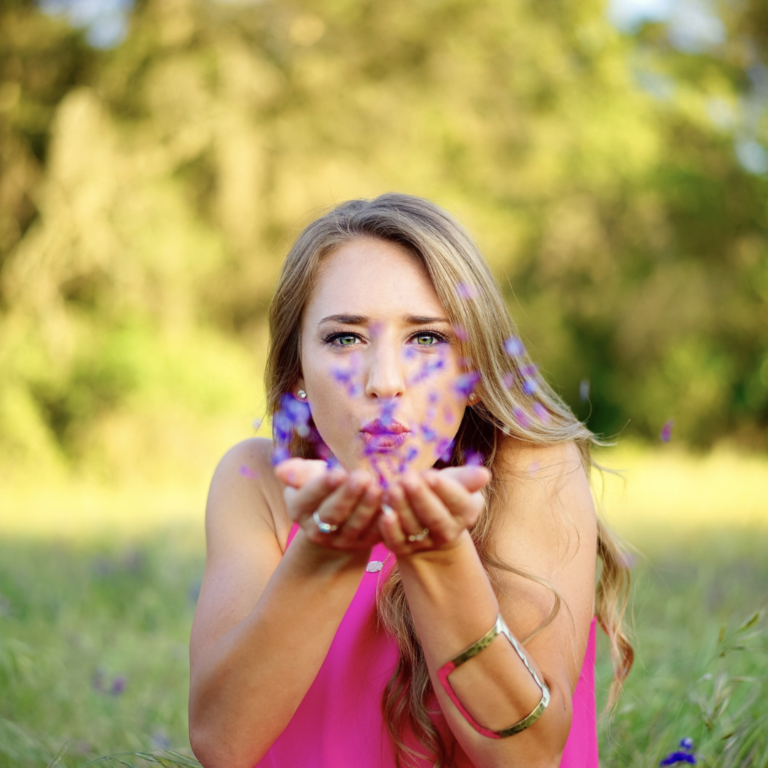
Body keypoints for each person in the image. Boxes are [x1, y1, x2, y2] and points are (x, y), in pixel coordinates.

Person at [188, 193, 633, 768]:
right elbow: (222, 743)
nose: (385, 381)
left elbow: (529, 754)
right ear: (297, 366)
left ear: (473, 371)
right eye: (345, 338)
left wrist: (439, 557)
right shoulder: (257, 483)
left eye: (426, 338)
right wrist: (326, 554)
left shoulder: (531, 467)